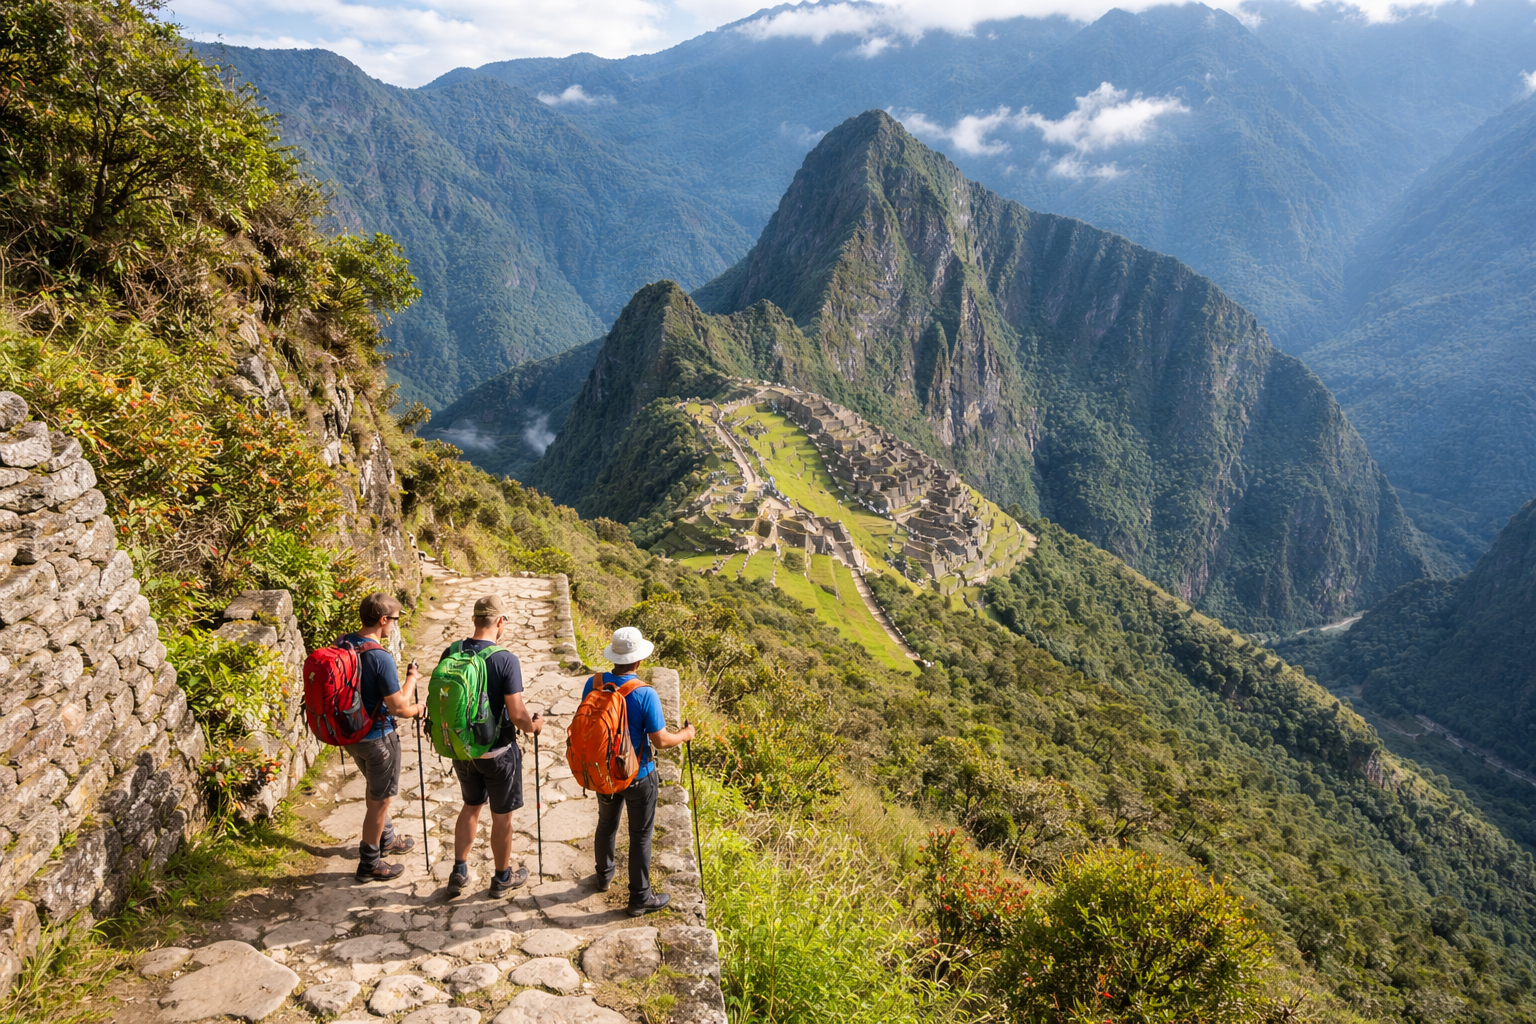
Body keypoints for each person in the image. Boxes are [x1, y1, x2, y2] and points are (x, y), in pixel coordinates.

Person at [588, 626, 696, 917]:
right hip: (637, 775)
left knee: (606, 823)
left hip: (603, 772)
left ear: (614, 656)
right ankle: (639, 898)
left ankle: (603, 875)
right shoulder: (645, 693)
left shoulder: (594, 683)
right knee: (640, 835)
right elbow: (660, 741)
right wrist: (686, 734)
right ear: (638, 660)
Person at [445, 595, 544, 898]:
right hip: (498, 753)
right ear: (499, 622)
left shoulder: (452, 652)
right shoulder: (505, 660)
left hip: (462, 750)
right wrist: (534, 726)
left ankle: (459, 870)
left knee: (471, 805)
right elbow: (517, 715)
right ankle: (502, 877)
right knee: (502, 817)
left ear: (475, 620)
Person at [345, 592, 424, 883]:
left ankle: (386, 837)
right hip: (379, 739)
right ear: (382, 620)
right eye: (394, 619)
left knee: (375, 789)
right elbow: (399, 708)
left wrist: (410, 678)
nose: (394, 624)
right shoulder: (380, 657)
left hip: (352, 735)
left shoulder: (345, 644)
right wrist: (419, 708)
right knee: (380, 801)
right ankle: (370, 863)